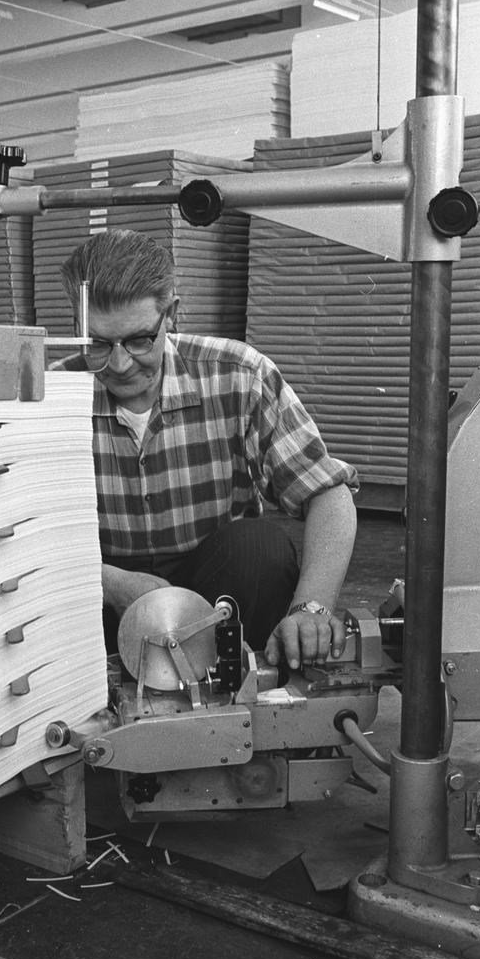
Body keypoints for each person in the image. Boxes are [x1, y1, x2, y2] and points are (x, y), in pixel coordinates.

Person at [55, 229, 359, 673]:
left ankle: (242, 692)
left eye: (139, 341)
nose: (119, 365)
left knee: (258, 548)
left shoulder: (239, 375)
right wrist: (109, 583)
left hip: (217, 589)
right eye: (97, 344)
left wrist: (311, 608)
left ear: (172, 316)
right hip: (98, 588)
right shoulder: (50, 398)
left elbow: (327, 493)